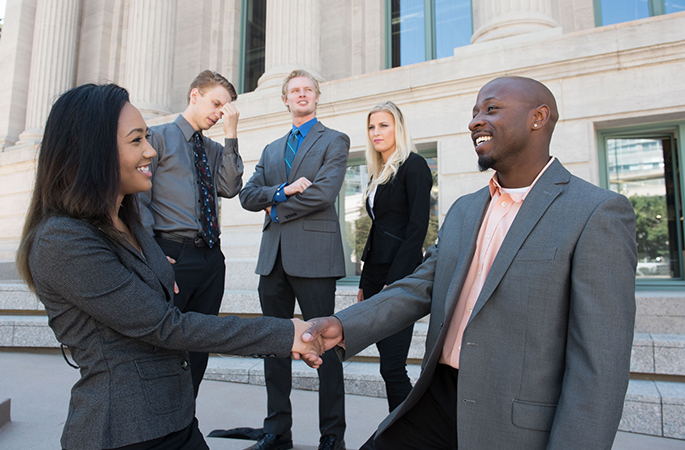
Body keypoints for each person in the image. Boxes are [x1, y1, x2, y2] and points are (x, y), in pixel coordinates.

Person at [303, 76, 637, 449]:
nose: (475, 121)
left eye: (491, 109)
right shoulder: (464, 210)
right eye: (475, 111)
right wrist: (342, 325)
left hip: (512, 424)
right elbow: (421, 286)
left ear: (538, 117)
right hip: (436, 400)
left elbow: (600, 366)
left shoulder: (596, 212)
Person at [15, 83, 324, 450]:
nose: (149, 150)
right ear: (90, 151)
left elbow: (229, 187)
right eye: (136, 141)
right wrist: (283, 333)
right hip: (125, 433)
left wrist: (230, 137)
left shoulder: (125, 220)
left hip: (175, 421)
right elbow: (167, 327)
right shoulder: (62, 240)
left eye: (146, 137)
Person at [239, 69, 349, 450]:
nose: (301, 95)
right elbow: (247, 196)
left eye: (308, 90)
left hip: (315, 259)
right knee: (274, 347)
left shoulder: (334, 140)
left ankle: (333, 437)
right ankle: (276, 432)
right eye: (294, 91)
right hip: (272, 262)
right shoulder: (271, 149)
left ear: (317, 96)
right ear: (284, 99)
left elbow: (323, 193)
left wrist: (275, 208)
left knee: (326, 348)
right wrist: (281, 191)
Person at [139, 70, 242, 397]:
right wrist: (150, 255)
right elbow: (138, 201)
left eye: (224, 108)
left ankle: (185, 415)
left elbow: (229, 187)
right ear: (194, 95)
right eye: (215, 103)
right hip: (173, 254)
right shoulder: (156, 137)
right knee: (163, 343)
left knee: (200, 345)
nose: (218, 112)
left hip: (211, 259)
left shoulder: (213, 149)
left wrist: (231, 135)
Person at [358, 101, 432, 412]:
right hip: (376, 277)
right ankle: (406, 433)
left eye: (384, 125)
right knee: (387, 365)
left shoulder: (414, 166)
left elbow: (417, 229)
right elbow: (378, 231)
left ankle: (407, 434)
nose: (377, 132)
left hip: (399, 278)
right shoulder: (378, 173)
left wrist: (395, 282)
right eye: (372, 127)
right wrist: (365, 281)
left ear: (398, 129)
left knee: (393, 366)